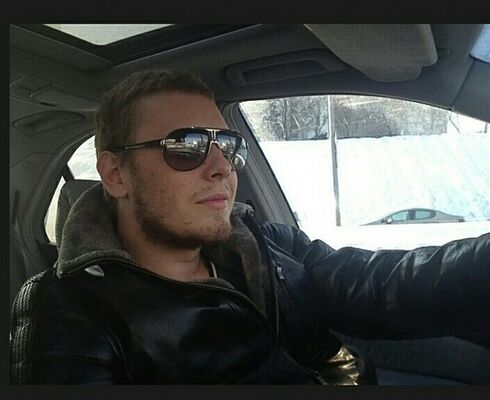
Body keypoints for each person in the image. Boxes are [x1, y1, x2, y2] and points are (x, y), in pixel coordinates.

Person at [10, 69, 490, 384]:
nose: (222, 167)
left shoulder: (260, 243)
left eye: (227, 145)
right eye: (188, 145)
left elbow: (378, 283)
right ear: (116, 174)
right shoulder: (65, 314)